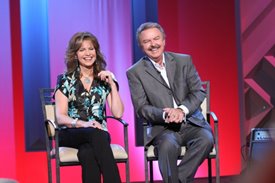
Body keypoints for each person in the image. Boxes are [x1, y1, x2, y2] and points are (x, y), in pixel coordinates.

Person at [126, 22, 214, 183]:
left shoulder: (183, 61)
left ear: (164, 40)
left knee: (206, 139)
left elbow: (198, 91)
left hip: (192, 123)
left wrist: (181, 110)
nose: (153, 44)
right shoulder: (135, 72)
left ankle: (178, 180)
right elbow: (141, 108)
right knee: (167, 147)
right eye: (147, 42)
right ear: (141, 46)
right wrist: (165, 114)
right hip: (164, 129)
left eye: (156, 39)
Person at [54, 32, 123, 183]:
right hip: (71, 133)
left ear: (96, 52)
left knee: (88, 153)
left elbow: (118, 113)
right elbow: (60, 117)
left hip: (98, 137)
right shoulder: (66, 80)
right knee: (97, 134)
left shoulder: (105, 79)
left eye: (91, 49)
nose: (87, 53)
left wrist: (112, 84)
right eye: (82, 50)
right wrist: (83, 124)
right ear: (75, 55)